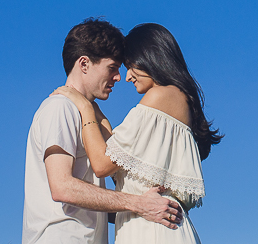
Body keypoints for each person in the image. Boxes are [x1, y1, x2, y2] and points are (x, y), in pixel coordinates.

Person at [54, 22, 223, 244]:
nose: (127, 77)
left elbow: (102, 164)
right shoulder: (175, 101)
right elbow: (118, 158)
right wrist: (98, 113)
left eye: (131, 66)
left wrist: (86, 109)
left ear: (151, 58)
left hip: (153, 232)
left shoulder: (160, 97)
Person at [24, 19, 185, 244]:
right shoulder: (60, 108)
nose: (119, 77)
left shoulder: (89, 117)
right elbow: (62, 188)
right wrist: (137, 203)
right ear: (84, 64)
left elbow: (89, 201)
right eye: (112, 68)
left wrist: (147, 206)